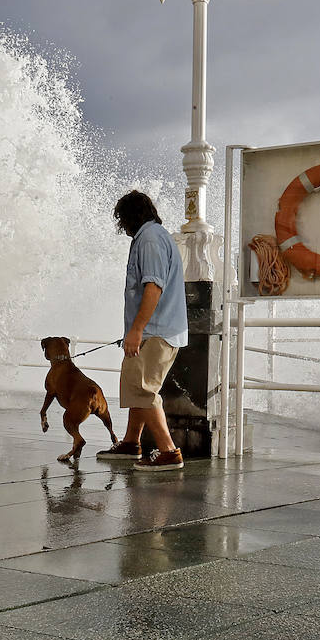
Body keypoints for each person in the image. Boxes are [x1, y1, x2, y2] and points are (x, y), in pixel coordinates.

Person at [95, 190, 188, 471]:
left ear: (132, 216)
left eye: (122, 219)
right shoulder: (156, 236)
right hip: (156, 329)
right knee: (137, 385)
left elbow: (153, 286)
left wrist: (136, 330)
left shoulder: (149, 239)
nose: (122, 226)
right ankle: (131, 443)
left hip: (155, 331)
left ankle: (169, 452)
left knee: (143, 388)